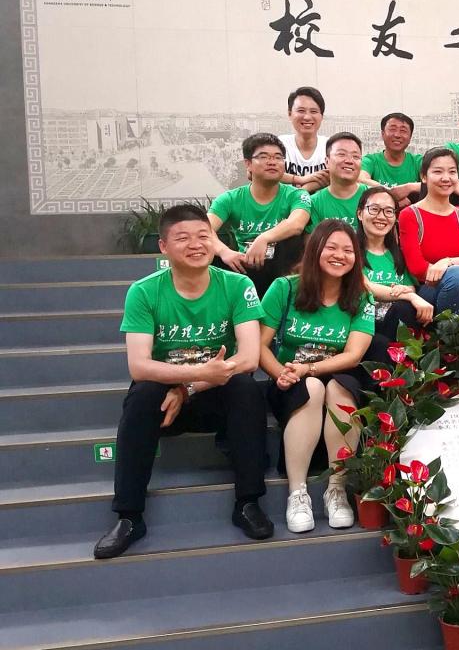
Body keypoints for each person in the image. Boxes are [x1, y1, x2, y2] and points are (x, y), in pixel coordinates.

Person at [94, 204, 271, 559]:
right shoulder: (144, 291)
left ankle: (248, 503)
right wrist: (196, 376)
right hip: (166, 404)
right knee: (142, 396)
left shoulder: (237, 285)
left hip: (214, 394)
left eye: (204, 236)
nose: (196, 245)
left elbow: (249, 358)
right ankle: (129, 516)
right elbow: (139, 366)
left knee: (246, 388)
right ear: (163, 247)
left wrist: (189, 388)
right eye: (183, 238)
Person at [259, 220, 375, 533]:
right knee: (310, 387)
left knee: (339, 387)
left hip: (337, 376)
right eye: (331, 247)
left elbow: (353, 355)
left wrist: (309, 368)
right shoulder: (285, 288)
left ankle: (336, 490)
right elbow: (259, 345)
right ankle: (297, 493)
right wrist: (281, 374)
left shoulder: (361, 297)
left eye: (348, 250)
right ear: (314, 250)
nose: (340, 255)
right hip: (289, 380)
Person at [208, 133, 311, 297]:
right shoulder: (229, 199)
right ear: (248, 164)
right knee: (207, 255)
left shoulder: (296, 195)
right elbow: (204, 230)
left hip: (283, 269)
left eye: (278, 157)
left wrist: (264, 238)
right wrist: (224, 251)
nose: (272, 162)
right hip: (245, 267)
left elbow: (297, 224)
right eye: (263, 157)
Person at [398, 147, 459, 314]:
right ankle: (444, 328)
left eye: (452, 172)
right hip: (428, 289)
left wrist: (446, 262)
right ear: (424, 176)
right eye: (438, 172)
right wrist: (450, 270)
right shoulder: (410, 215)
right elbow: (417, 267)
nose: (446, 178)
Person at [356, 186, 433, 340]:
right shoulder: (350, 250)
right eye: (374, 209)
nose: (381, 216)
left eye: (389, 211)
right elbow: (364, 286)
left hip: (394, 321)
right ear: (360, 213)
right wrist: (408, 296)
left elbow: (410, 286)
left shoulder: (398, 254)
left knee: (409, 305)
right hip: (362, 325)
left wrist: (404, 290)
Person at [306, 132, 369, 231]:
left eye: (356, 156)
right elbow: (313, 240)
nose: (349, 161)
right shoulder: (314, 203)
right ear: (327, 161)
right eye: (341, 154)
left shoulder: (373, 197)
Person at [360, 112, 422, 207]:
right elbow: (360, 179)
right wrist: (391, 196)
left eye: (403, 131)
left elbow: (436, 183)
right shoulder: (370, 161)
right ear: (382, 134)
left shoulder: (418, 162)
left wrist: (409, 187)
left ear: (410, 137)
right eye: (392, 129)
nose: (397, 135)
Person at [279, 86, 329, 193]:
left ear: (322, 116)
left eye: (314, 111)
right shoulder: (279, 145)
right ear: (289, 114)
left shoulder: (331, 147)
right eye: (301, 111)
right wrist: (301, 180)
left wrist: (305, 188)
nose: (307, 117)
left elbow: (336, 177)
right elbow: (257, 173)